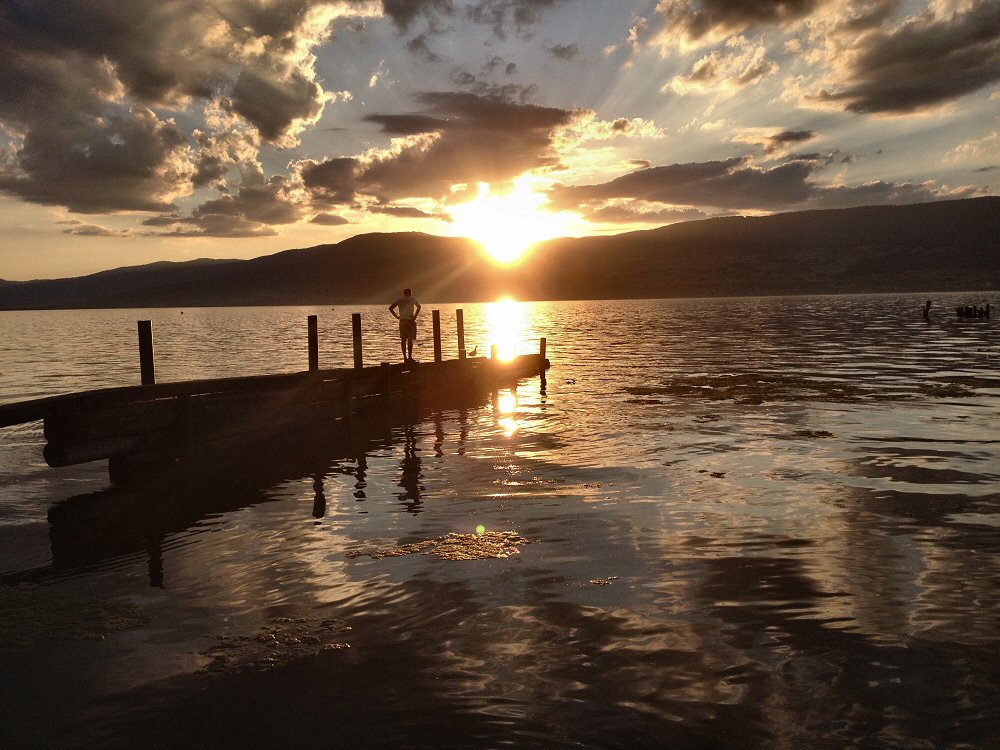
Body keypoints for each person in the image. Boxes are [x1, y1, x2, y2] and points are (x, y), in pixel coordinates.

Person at [389, 288, 421, 362]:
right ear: (410, 293)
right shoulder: (412, 299)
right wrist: (415, 316)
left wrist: (397, 317)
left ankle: (404, 358)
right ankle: (410, 357)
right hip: (410, 320)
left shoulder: (399, 299)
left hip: (402, 320)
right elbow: (419, 307)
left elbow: (390, 308)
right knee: (410, 340)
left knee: (403, 340)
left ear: (404, 293)